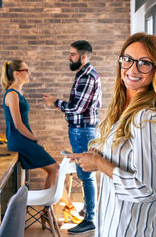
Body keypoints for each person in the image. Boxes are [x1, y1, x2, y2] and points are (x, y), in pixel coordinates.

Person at [67, 33, 156, 236]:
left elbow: (146, 189)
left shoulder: (145, 117)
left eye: (144, 63)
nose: (132, 69)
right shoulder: (126, 110)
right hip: (115, 224)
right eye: (127, 60)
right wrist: (99, 154)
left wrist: (100, 164)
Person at [0, 60, 82, 225]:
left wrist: (34, 141)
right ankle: (59, 209)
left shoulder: (17, 93)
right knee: (55, 169)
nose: (29, 73)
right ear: (16, 73)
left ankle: (54, 210)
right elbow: (18, 124)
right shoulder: (12, 94)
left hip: (23, 140)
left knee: (54, 170)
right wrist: (35, 140)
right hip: (19, 141)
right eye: (26, 70)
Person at [43, 40, 102, 234]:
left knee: (86, 175)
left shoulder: (87, 76)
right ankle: (88, 210)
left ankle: (90, 219)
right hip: (81, 130)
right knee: (85, 174)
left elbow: (77, 108)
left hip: (82, 131)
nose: (69, 57)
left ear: (83, 57)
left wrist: (55, 102)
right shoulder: (83, 74)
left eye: (73, 54)